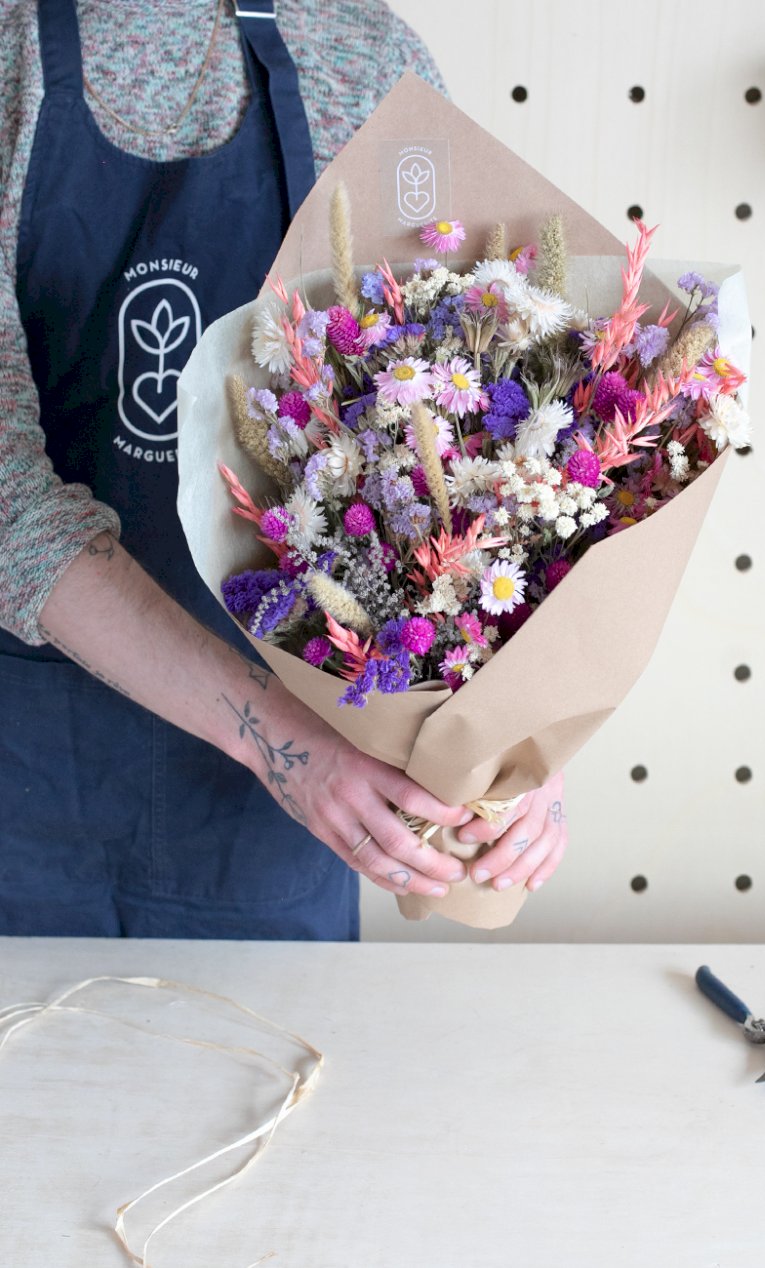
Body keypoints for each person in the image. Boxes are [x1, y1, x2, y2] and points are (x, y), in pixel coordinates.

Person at [0, 0, 568, 940]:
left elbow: (466, 428)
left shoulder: (368, 58)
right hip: (33, 788)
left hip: (286, 820)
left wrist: (520, 724)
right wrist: (286, 746)